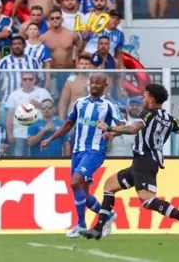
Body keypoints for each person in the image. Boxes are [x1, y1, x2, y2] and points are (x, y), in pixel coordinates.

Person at [79, 83, 179, 241]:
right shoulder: (170, 119)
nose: (142, 98)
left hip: (144, 161)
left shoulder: (146, 113)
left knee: (147, 201)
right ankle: (98, 228)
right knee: (109, 186)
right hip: (143, 162)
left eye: (144, 96)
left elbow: (133, 129)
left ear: (151, 100)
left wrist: (109, 128)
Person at [41, 74, 125, 238]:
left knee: (75, 182)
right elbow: (68, 123)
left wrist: (110, 131)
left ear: (104, 85)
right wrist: (51, 138)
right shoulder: (80, 103)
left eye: (97, 83)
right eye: (92, 82)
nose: (94, 85)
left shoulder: (108, 105)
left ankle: (80, 225)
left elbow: (122, 124)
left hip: (95, 151)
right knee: (82, 191)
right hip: (77, 151)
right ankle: (107, 216)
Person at [5, 72, 52, 157]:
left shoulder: (43, 92)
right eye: (25, 79)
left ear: (35, 80)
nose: (28, 81)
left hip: (38, 133)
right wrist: (9, 134)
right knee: (18, 161)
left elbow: (52, 109)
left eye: (30, 79)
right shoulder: (14, 95)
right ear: (21, 81)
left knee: (37, 159)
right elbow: (9, 116)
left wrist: (39, 105)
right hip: (19, 133)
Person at [58, 53, 92, 120]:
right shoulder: (71, 80)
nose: (84, 66)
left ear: (90, 65)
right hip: (73, 116)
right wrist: (61, 120)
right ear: (78, 65)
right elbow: (63, 102)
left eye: (86, 64)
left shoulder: (94, 80)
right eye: (82, 64)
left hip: (89, 117)